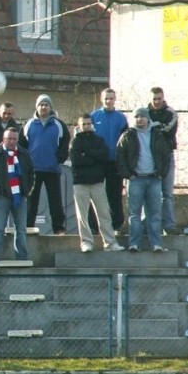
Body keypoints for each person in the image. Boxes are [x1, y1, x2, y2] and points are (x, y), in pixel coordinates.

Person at [116, 108, 171, 252]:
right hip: (136, 180)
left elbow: (166, 156)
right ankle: (134, 244)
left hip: (154, 179)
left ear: (147, 118)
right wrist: (128, 175)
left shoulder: (157, 134)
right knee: (134, 214)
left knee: (154, 214)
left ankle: (156, 244)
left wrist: (161, 174)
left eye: (142, 116)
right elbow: (120, 156)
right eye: (136, 116)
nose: (139, 119)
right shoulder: (127, 135)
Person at [70, 114, 124, 252]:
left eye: (89, 124)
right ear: (79, 126)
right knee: (82, 216)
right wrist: (93, 157)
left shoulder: (99, 140)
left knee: (104, 214)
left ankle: (110, 242)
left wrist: (86, 154)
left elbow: (104, 157)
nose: (87, 126)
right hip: (80, 183)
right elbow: (76, 161)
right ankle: (86, 242)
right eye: (84, 124)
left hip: (98, 182)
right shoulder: (75, 142)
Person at [0, 128, 34, 267]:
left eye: (14, 139)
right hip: (1, 197)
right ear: (3, 139)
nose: (12, 141)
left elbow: (31, 174)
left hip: (20, 197)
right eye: (9, 138)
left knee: (21, 230)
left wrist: (27, 191)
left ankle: (22, 259)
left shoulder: (24, 154)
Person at [22, 94, 70, 235]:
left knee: (55, 200)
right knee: (32, 201)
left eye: (46, 105)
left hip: (52, 169)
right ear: (37, 107)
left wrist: (58, 159)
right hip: (34, 170)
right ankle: (28, 227)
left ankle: (59, 229)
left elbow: (65, 144)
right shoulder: (29, 124)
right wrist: (26, 163)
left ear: (50, 107)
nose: (43, 107)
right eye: (41, 104)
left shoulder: (59, 125)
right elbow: (22, 146)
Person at [90, 88, 128, 232]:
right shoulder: (94, 116)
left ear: (115, 99)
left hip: (114, 162)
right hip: (97, 163)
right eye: (106, 98)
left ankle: (116, 224)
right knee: (94, 194)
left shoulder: (121, 118)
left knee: (114, 194)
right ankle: (94, 226)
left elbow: (126, 141)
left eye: (111, 98)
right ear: (101, 99)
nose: (109, 101)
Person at [148, 87, 180, 234]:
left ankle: (169, 226)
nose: (157, 101)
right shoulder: (144, 112)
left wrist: (155, 127)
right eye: (154, 99)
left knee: (167, 193)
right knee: (150, 193)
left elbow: (168, 131)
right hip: (149, 156)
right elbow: (142, 130)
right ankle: (150, 226)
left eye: (159, 98)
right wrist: (157, 127)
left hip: (167, 156)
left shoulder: (171, 113)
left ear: (163, 98)